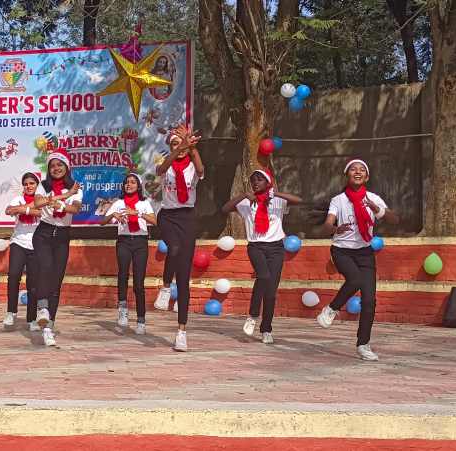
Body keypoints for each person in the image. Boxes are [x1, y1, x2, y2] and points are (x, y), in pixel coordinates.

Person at [316, 159, 400, 361]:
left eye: (362, 169)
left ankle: (363, 345)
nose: (358, 172)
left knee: (370, 300)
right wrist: (336, 229)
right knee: (354, 280)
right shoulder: (338, 200)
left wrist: (377, 209)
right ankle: (332, 309)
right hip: (341, 250)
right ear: (347, 175)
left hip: (364, 252)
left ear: (367, 177)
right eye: (353, 169)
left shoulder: (373, 198)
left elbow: (394, 219)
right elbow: (326, 226)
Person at [221, 168, 302, 344]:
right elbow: (225, 208)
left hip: (276, 248)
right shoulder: (247, 203)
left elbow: (299, 201)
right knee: (263, 276)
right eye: (253, 180)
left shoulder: (277, 201)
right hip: (256, 246)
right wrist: (243, 195)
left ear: (267, 183)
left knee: (271, 293)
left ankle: (266, 329)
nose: (256, 182)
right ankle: (252, 315)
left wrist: (276, 193)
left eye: (260, 179)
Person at [153, 124, 204, 351]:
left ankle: (181, 331)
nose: (179, 147)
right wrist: (179, 146)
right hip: (168, 216)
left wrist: (191, 148)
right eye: (174, 143)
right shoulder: (166, 166)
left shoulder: (193, 167)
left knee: (183, 279)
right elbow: (161, 169)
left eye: (182, 143)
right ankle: (165, 286)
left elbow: (201, 169)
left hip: (187, 218)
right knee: (172, 248)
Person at [31, 148, 83, 346]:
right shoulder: (43, 186)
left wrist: (62, 202)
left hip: (62, 236)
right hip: (43, 234)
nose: (56, 168)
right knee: (45, 268)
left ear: (66, 167)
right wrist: (65, 195)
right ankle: (42, 307)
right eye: (52, 165)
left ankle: (48, 327)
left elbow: (75, 208)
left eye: (59, 165)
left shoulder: (77, 187)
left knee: (56, 281)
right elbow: (38, 203)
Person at [100, 172, 157, 334]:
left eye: (132, 182)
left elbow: (155, 221)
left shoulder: (144, 203)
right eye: (126, 182)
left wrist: (137, 213)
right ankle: (122, 310)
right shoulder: (118, 203)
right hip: (124, 241)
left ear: (138, 186)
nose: (129, 185)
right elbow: (102, 222)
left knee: (139, 282)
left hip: (140, 242)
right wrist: (113, 215)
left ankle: (141, 320)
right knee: (123, 275)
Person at [3, 172, 42, 331]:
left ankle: (32, 319)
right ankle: (11, 312)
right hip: (18, 242)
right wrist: (25, 208)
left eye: (32, 183)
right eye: (26, 184)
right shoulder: (17, 199)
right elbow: (8, 210)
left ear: (37, 185)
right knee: (13, 276)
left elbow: (41, 213)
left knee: (33, 283)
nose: (29, 186)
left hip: (36, 244)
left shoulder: (42, 200)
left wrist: (22, 210)